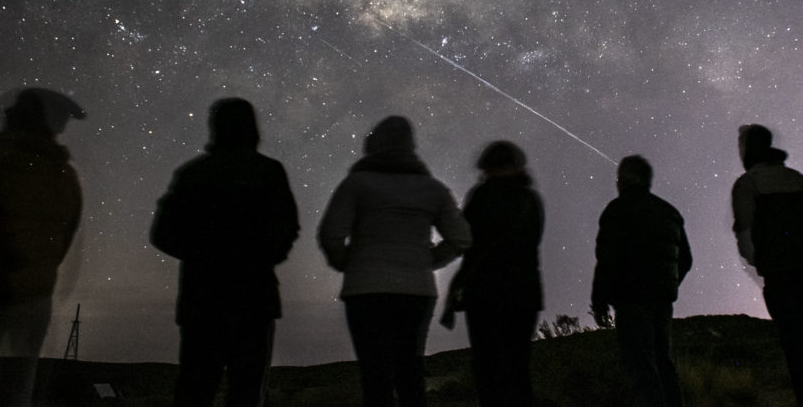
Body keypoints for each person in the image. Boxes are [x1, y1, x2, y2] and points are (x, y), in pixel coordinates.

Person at [151, 98, 299, 407]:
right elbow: (287, 228)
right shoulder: (268, 171)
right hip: (254, 295)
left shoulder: (193, 174)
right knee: (247, 390)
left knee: (195, 388)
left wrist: (202, 255)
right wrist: (260, 258)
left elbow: (163, 234)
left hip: (201, 296)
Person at [318, 115, 471, 407]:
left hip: (365, 288)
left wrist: (348, 263)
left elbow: (330, 235)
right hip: (416, 288)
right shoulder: (433, 189)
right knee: (410, 375)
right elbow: (461, 238)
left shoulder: (356, 183)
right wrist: (429, 260)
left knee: (375, 379)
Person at [0, 88, 84, 407]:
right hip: (31, 293)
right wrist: (37, 269)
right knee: (17, 388)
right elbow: (64, 235)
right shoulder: (63, 173)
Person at [731, 124, 803, 407]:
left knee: (794, 343)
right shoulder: (800, 180)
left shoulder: (748, 184)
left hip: (779, 274)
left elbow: (745, 234)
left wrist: (762, 261)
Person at [591, 155, 692, 407]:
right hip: (662, 301)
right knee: (664, 364)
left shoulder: (617, 210)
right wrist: (668, 284)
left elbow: (606, 259)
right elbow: (686, 259)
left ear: (626, 179)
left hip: (631, 300)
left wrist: (600, 301)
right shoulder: (669, 212)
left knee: (641, 369)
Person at [447, 140, 543, 406]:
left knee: (487, 372)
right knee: (518, 370)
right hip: (523, 294)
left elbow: (466, 243)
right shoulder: (529, 199)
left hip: (484, 295)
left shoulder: (480, 197)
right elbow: (532, 241)